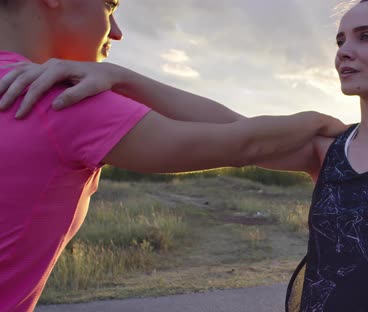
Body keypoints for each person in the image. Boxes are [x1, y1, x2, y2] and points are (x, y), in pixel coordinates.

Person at [3, 0, 368, 311]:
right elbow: (236, 130)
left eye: (365, 37)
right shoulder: (327, 150)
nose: (344, 50)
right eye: (340, 38)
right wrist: (122, 77)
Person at [0, 1, 346, 311]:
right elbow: (243, 142)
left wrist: (120, 77)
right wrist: (320, 120)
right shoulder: (56, 101)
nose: (117, 33)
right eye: (110, 5)